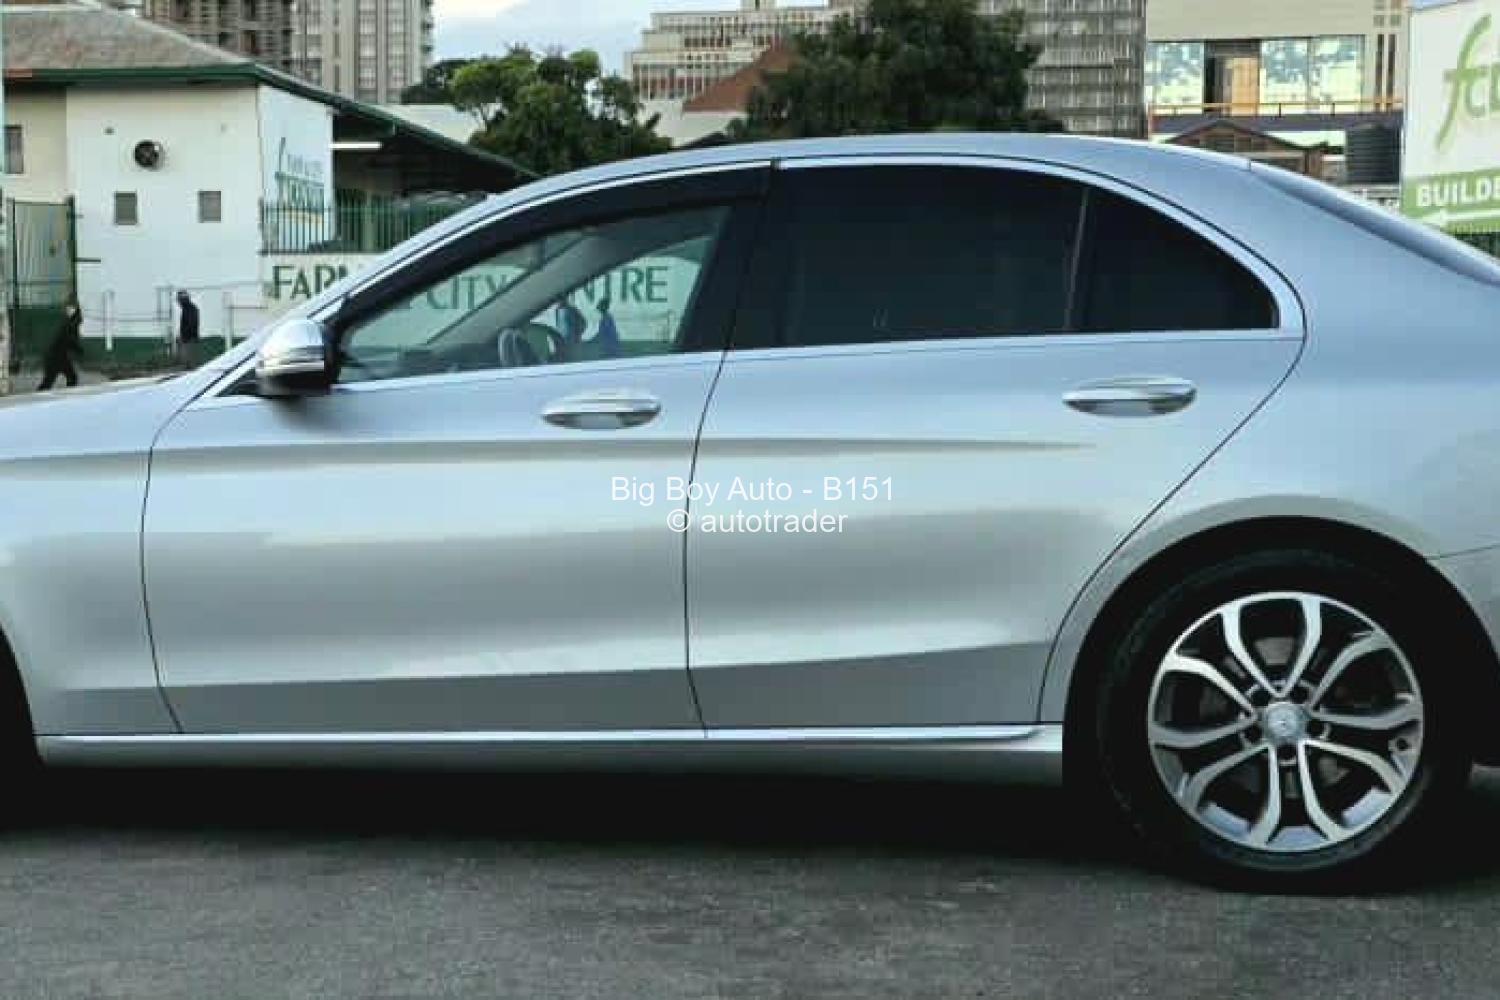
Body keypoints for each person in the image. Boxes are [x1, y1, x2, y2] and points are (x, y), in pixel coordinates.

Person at [37, 298, 83, 391]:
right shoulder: (68, 323)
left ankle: (68, 395)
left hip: (60, 356)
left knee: (71, 377)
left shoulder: (72, 321)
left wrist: (77, 349)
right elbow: (68, 339)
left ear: (75, 309)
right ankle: (38, 396)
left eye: (71, 308)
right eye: (67, 308)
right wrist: (78, 350)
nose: (69, 310)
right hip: (54, 356)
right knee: (49, 380)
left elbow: (71, 337)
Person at [176, 289, 200, 365]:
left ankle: (188, 366)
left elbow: (191, 323)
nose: (178, 302)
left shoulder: (189, 309)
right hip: (189, 338)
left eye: (179, 300)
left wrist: (184, 336)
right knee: (188, 360)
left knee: (188, 360)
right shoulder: (189, 308)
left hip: (189, 339)